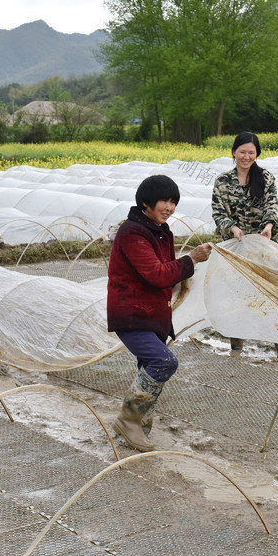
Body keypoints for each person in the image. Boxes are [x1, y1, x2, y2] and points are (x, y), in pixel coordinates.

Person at [107, 175, 212, 451]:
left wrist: (191, 265)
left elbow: (169, 271)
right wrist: (191, 259)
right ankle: (128, 420)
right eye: (164, 200)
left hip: (154, 314)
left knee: (148, 368)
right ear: (146, 202)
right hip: (132, 314)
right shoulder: (132, 232)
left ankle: (141, 426)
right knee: (164, 362)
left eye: (173, 201)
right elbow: (157, 274)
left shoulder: (162, 231)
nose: (169, 206)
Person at [211, 131, 278, 360]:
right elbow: (218, 212)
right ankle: (236, 346)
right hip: (236, 246)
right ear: (234, 152)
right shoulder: (223, 181)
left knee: (271, 295)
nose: (246, 156)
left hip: (263, 246)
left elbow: (272, 207)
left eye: (251, 152)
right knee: (236, 296)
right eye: (242, 152)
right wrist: (233, 228)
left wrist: (268, 226)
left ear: (257, 154)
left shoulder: (266, 178)